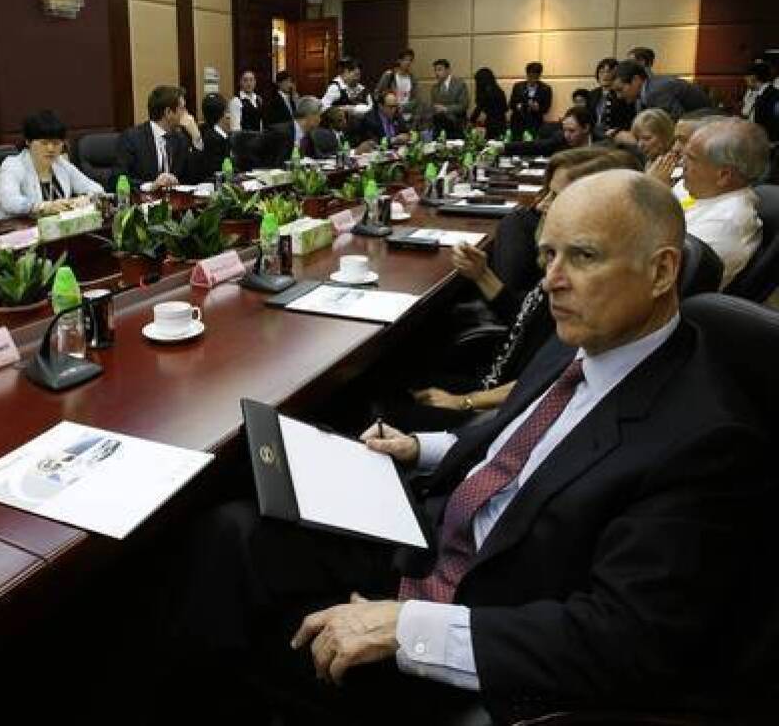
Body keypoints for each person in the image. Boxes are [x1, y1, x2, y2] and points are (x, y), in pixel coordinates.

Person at [164, 169, 768, 724]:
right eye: (548, 254)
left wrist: (408, 628)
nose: (552, 281)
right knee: (229, 530)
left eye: (582, 257)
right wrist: (419, 448)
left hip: (486, 617)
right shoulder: (585, 334)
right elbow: (517, 436)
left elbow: (624, 640)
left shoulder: (705, 441)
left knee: (251, 633)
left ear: (662, 271)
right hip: (436, 535)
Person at [403, 149, 635, 430]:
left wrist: (463, 401)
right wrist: (482, 274)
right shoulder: (562, 258)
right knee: (399, 374)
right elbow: (525, 317)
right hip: (493, 377)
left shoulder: (590, 287)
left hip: (500, 407)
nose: (541, 205)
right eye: (546, 193)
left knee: (389, 404)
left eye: (555, 197)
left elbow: (552, 377)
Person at [680, 118, 767, 289]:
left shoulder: (725, 223)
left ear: (724, 176)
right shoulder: (705, 190)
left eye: (691, 158)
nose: (681, 163)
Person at [0, 111, 104, 220]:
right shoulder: (12, 165)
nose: (51, 149)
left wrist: (85, 199)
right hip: (16, 232)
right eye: (44, 143)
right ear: (28, 142)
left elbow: (97, 190)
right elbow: (9, 202)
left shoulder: (60, 163)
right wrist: (44, 207)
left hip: (56, 231)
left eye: (56, 143)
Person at [113, 85, 203, 190]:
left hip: (175, 201)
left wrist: (196, 137)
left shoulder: (180, 138)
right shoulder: (132, 138)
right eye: (182, 109)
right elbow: (117, 178)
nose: (187, 114)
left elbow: (195, 177)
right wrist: (151, 186)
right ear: (168, 112)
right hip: (143, 201)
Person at [611, 60, 710, 128]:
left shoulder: (655, 91)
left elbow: (676, 122)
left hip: (705, 126)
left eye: (620, 90)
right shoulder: (644, 93)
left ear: (636, 80)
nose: (619, 96)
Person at [499, 106, 593, 158]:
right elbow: (535, 146)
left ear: (586, 128)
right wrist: (504, 147)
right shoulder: (560, 138)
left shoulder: (602, 144)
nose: (567, 135)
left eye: (572, 131)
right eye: (565, 130)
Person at [261, 96, 322, 166]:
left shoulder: (308, 135)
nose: (320, 120)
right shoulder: (280, 133)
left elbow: (317, 157)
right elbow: (273, 162)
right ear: (310, 115)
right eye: (319, 115)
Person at [194, 93, 233, 181]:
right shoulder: (214, 138)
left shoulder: (205, 132)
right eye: (227, 111)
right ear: (224, 114)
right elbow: (217, 170)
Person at [428, 59, 470, 139]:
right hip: (440, 127)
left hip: (456, 125)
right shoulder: (435, 88)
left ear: (448, 70)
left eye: (439, 70)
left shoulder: (459, 84)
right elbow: (433, 106)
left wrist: (446, 109)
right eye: (435, 70)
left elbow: (464, 105)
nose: (437, 73)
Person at [509, 62, 552, 138]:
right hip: (518, 123)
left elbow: (546, 108)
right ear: (527, 74)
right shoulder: (518, 86)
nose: (532, 79)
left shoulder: (546, 89)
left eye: (536, 76)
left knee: (533, 146)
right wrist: (517, 106)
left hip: (535, 124)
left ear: (539, 75)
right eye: (530, 75)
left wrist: (538, 108)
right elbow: (511, 104)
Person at [375, 49, 418, 123]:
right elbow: (377, 94)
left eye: (410, 60)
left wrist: (405, 107)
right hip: (392, 115)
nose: (408, 63)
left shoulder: (412, 78)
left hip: (407, 116)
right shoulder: (389, 75)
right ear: (399, 60)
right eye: (405, 60)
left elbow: (415, 99)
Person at [744, 62, 779, 142]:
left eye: (746, 77)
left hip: (768, 143)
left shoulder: (774, 96)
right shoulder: (759, 94)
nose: (745, 80)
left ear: (753, 77)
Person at [469, 67, 507, 140]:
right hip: (501, 122)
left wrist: (472, 120)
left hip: (491, 124)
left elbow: (479, 107)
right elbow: (505, 108)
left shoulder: (486, 92)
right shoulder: (498, 90)